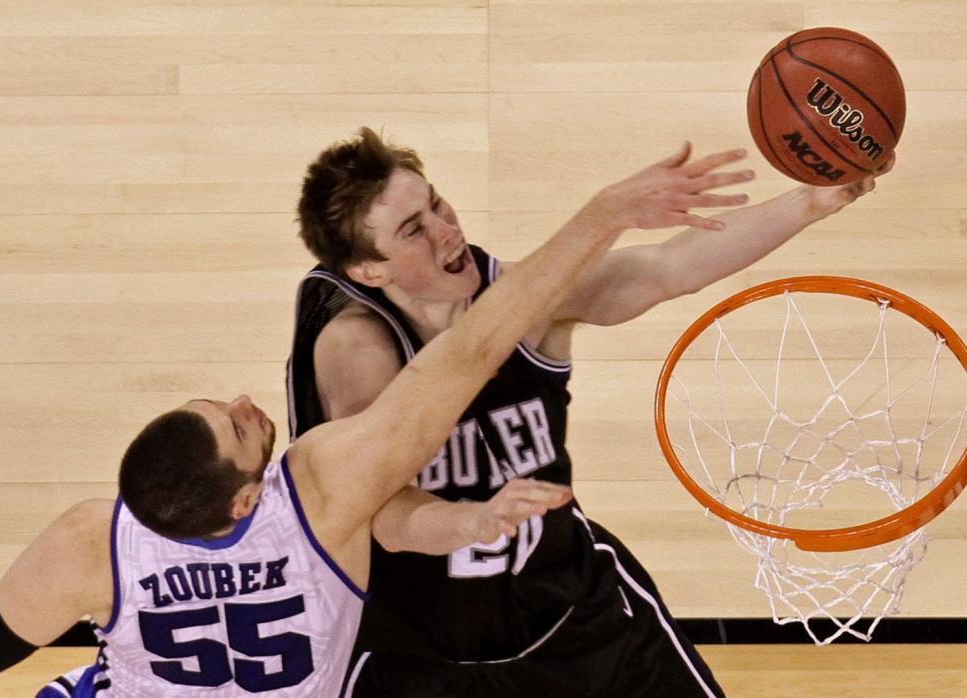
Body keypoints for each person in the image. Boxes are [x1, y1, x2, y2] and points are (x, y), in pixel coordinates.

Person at [0, 135, 756, 697]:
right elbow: (479, 346)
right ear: (238, 499)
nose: (244, 400)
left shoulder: (98, 544)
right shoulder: (317, 495)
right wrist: (606, 210)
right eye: (236, 422)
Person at [288, 127, 892, 697]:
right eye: (414, 229)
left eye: (439, 206)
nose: (446, 231)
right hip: (416, 652)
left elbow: (667, 268)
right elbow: (383, 511)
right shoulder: (354, 349)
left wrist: (812, 202)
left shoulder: (525, 296)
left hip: (571, 613)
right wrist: (468, 522)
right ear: (369, 269)